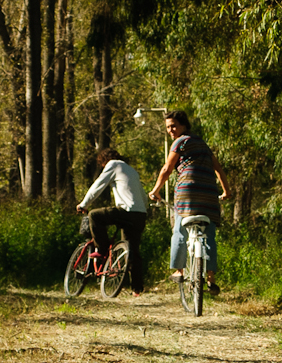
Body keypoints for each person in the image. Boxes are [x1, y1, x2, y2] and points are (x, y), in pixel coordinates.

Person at [147, 110, 231, 295]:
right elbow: (218, 169)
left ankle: (179, 271)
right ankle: (211, 280)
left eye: (174, 126)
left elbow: (167, 169)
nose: (171, 130)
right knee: (209, 236)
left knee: (179, 230)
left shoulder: (180, 141)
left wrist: (155, 190)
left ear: (184, 126)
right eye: (168, 127)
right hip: (209, 196)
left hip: (187, 193)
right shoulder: (203, 144)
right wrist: (226, 191)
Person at [76, 146, 151, 295]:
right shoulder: (132, 171)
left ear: (104, 161)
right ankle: (137, 289)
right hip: (140, 214)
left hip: (126, 211)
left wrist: (84, 204)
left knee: (94, 215)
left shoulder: (113, 165)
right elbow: (143, 197)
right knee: (132, 251)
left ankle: (102, 249)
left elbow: (98, 186)